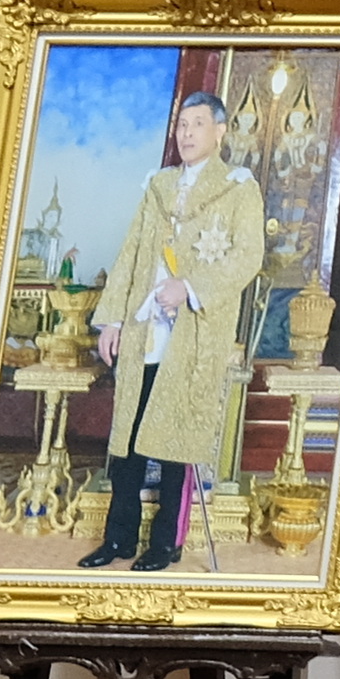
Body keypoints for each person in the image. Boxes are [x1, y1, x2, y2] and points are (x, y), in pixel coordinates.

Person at [81, 88, 266, 573]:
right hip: (145, 330)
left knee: (176, 443)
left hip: (193, 335)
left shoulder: (238, 188)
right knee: (127, 440)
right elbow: (130, 256)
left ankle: (166, 543)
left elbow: (248, 257)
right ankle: (118, 539)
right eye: (182, 125)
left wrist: (190, 287)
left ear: (220, 131)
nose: (187, 133)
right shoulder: (159, 186)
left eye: (198, 124)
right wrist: (113, 319)